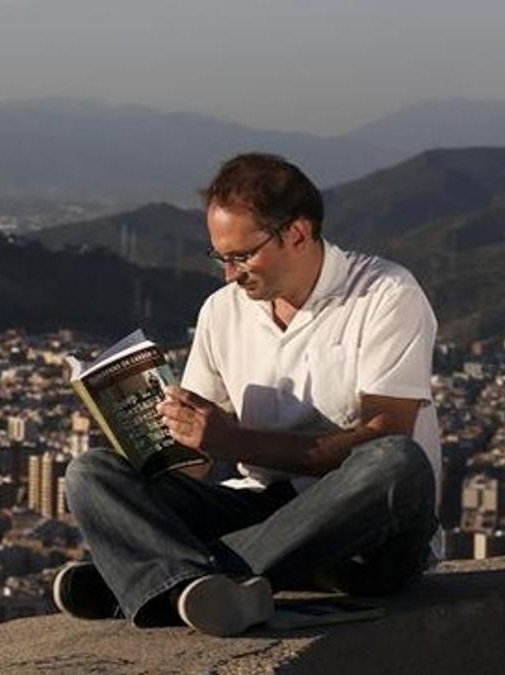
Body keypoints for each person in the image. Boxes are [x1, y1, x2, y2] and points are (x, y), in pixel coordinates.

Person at [53, 153, 441, 636]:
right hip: (257, 510)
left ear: (297, 234)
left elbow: (386, 435)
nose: (230, 274)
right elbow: (196, 458)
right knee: (90, 471)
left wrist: (233, 442)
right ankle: (198, 586)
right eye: (221, 257)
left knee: (396, 462)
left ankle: (156, 580)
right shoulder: (223, 311)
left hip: (359, 537)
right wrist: (154, 440)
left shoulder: (385, 293)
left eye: (242, 256)